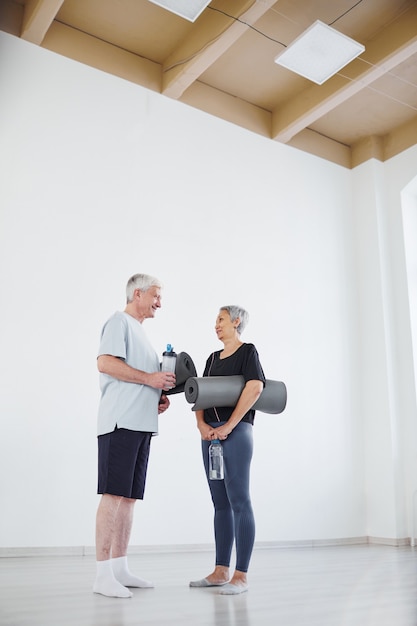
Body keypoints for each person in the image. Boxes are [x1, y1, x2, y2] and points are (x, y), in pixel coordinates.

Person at [93, 273, 176, 598]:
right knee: (113, 495)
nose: (160, 303)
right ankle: (102, 575)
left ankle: (120, 567)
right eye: (156, 296)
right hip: (120, 423)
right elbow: (105, 363)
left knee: (129, 498)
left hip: (141, 424)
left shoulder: (141, 333)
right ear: (137, 294)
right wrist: (149, 379)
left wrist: (157, 396)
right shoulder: (118, 322)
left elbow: (144, 380)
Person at [190, 305, 266, 595]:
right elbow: (198, 394)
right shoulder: (211, 359)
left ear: (236, 322)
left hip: (237, 433)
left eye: (220, 320)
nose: (216, 325)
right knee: (219, 502)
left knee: (239, 500)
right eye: (216, 321)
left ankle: (241, 576)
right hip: (210, 436)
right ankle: (221, 571)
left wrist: (230, 426)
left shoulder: (248, 352)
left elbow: (255, 388)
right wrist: (201, 426)